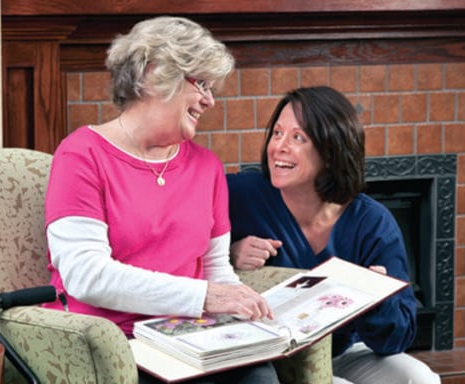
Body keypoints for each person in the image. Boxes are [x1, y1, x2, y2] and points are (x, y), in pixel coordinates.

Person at [42, 16, 279, 383]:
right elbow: (86, 276)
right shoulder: (82, 155)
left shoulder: (207, 167)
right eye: (201, 83)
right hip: (113, 346)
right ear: (154, 74)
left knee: (258, 377)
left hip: (190, 339)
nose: (210, 101)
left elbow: (217, 271)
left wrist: (248, 313)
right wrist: (205, 297)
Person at [227, 86, 441, 384]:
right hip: (272, 360)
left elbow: (398, 337)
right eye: (277, 133)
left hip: (346, 352)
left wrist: (377, 300)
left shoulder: (373, 222)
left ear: (331, 151)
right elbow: (186, 246)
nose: (279, 147)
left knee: (418, 379)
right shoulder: (241, 195)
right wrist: (231, 252)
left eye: (298, 137)